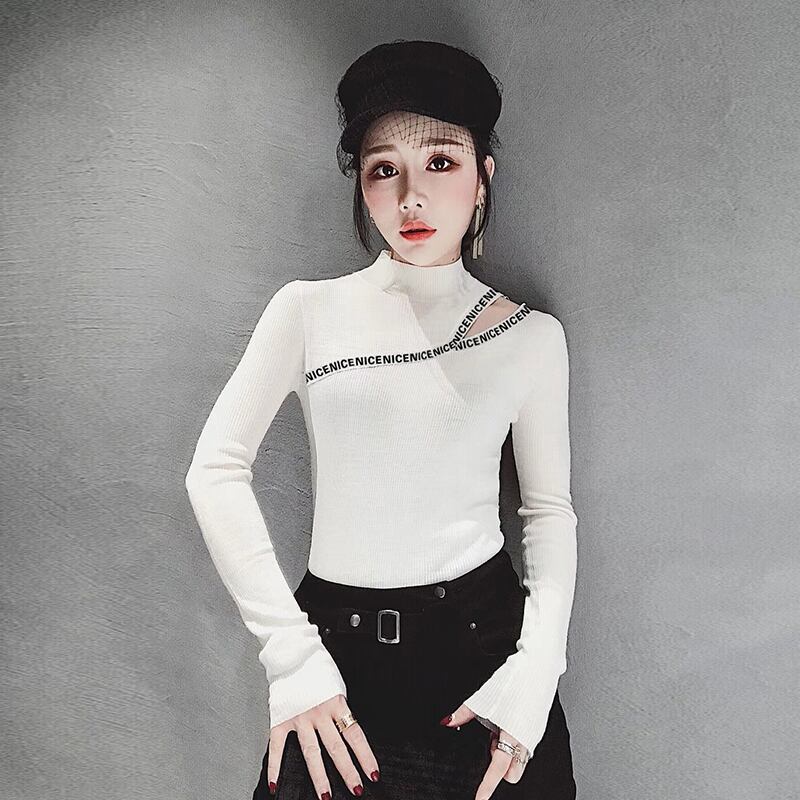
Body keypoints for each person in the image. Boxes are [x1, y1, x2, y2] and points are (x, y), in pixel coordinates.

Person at [185, 39, 578, 800]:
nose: (411, 198)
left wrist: (538, 671)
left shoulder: (530, 337)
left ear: (483, 177)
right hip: (335, 670)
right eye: (383, 170)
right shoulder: (306, 312)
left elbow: (547, 511)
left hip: (487, 667)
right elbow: (215, 470)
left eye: (441, 162)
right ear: (362, 187)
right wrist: (289, 656)